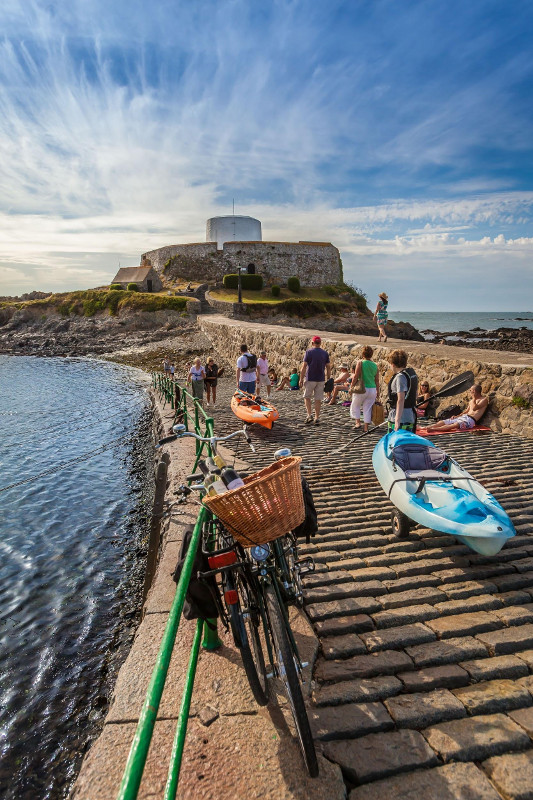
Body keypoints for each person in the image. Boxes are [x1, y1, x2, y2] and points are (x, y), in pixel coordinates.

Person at [299, 335, 331, 425]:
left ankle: (309, 415)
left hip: (310, 378)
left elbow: (304, 367)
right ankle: (317, 417)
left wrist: (301, 379)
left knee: (307, 397)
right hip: (321, 379)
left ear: (312, 343)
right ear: (320, 343)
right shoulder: (325, 353)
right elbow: (328, 367)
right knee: (318, 399)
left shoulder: (308, 352)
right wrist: (328, 378)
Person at [386, 349, 418, 433]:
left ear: (393, 364)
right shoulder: (411, 374)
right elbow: (415, 393)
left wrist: (397, 420)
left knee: (395, 444)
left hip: (401, 417)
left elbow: (401, 399)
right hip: (410, 414)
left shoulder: (400, 377)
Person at [350, 346, 380, 432]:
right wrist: (378, 391)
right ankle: (366, 428)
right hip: (372, 389)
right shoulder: (375, 365)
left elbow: (356, 376)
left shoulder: (360, 363)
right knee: (367, 408)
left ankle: (358, 423)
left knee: (355, 405)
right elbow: (377, 380)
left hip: (362, 388)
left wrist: (352, 386)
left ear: (363, 354)